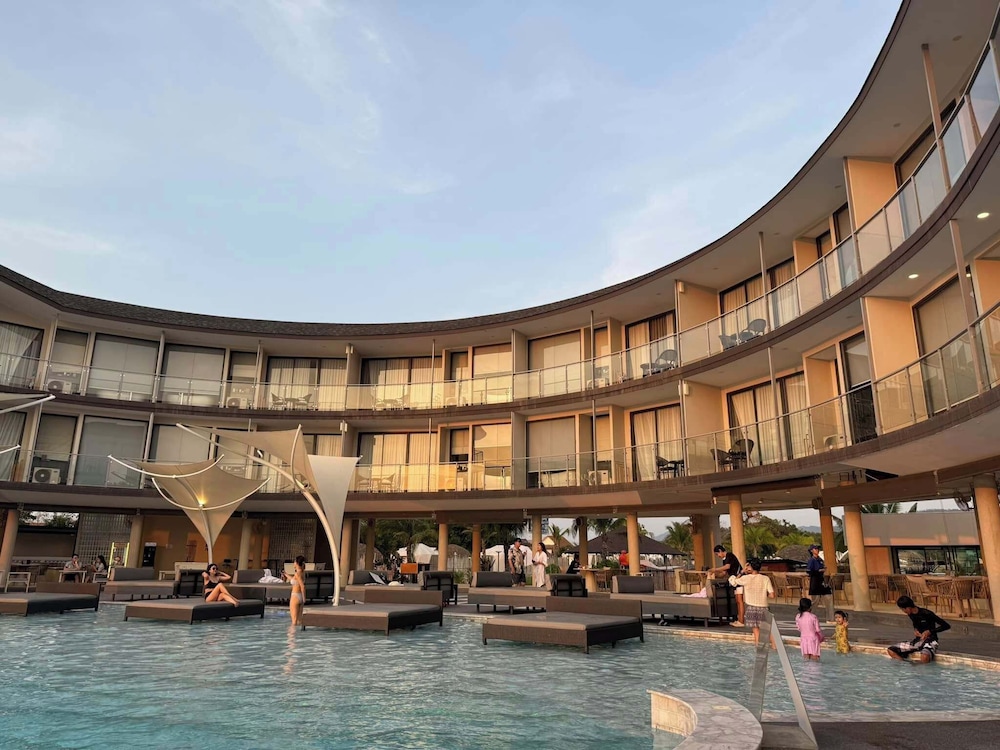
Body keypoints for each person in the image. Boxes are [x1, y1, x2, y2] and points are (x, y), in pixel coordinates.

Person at [888, 595, 950, 663]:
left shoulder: (927, 613)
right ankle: (904, 664)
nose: (903, 611)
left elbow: (946, 626)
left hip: (930, 640)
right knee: (891, 650)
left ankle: (918, 666)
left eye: (903, 609)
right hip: (918, 641)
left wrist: (930, 631)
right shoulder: (911, 614)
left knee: (925, 657)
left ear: (908, 607)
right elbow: (915, 624)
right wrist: (916, 630)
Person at [731, 559, 774, 646]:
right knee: (767, 630)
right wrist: (763, 594)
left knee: (756, 630)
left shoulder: (746, 578)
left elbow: (733, 582)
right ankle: (775, 646)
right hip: (764, 607)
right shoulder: (765, 578)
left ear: (751, 567)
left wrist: (742, 571)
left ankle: (758, 647)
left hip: (751, 607)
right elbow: (772, 595)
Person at [708, 544, 745, 627]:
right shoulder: (725, 560)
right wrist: (715, 574)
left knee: (740, 601)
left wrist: (715, 569)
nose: (718, 556)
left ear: (720, 551)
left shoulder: (729, 555)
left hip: (739, 579)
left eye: (717, 554)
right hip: (734, 581)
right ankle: (739, 619)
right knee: (737, 601)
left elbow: (727, 567)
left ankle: (741, 621)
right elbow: (724, 573)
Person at [805, 544, 832, 621]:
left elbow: (822, 567)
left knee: (829, 598)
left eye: (817, 549)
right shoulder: (811, 560)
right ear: (811, 551)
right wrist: (818, 571)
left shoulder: (820, 559)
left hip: (821, 581)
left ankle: (830, 618)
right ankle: (808, 616)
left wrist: (823, 569)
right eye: (815, 549)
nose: (817, 550)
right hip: (815, 582)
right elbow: (809, 571)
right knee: (815, 601)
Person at [285, 555, 306, 625]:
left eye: (294, 562)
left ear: (297, 563)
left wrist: (304, 598)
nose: (293, 563)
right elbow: (295, 581)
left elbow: (302, 586)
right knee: (299, 621)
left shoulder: (297, 574)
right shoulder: (302, 572)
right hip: (300, 597)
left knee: (294, 621)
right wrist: (286, 574)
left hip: (295, 596)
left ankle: (291, 632)